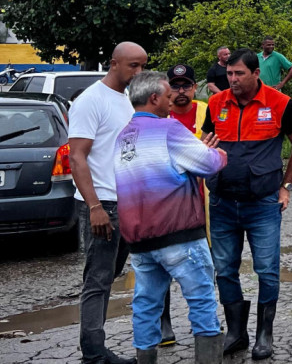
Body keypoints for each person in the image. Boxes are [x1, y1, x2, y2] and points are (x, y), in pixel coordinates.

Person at [114, 71, 227, 364]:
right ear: (154, 98)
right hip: (179, 236)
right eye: (167, 96)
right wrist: (214, 152)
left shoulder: (123, 136)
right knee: (201, 301)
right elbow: (209, 164)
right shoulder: (169, 129)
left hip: (140, 241)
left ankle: (145, 359)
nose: (171, 101)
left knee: (145, 305)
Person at [203, 49, 292, 359]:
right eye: (229, 74)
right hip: (222, 202)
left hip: (263, 204)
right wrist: (204, 152)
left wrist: (286, 186)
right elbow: (205, 144)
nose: (232, 79)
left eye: (239, 74)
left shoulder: (280, 103)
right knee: (224, 269)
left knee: (266, 270)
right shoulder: (216, 104)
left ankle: (265, 334)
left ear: (256, 73)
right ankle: (236, 332)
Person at [69, 42, 147, 364]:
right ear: (114, 63)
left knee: (107, 276)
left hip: (126, 204)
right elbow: (77, 157)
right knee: (97, 280)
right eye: (133, 65)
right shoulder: (91, 100)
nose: (139, 72)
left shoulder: (127, 100)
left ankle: (96, 350)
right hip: (103, 205)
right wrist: (94, 207)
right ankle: (93, 354)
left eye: (143, 65)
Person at [156, 63, 209, 347]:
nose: (180, 92)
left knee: (203, 265)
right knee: (162, 266)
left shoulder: (207, 113)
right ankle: (163, 322)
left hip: (202, 204)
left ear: (195, 87)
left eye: (186, 86)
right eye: (175, 86)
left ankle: (205, 322)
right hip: (165, 205)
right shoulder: (157, 116)